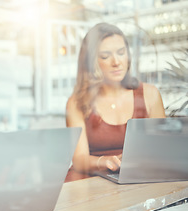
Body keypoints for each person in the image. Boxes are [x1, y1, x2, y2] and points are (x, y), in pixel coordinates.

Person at [65, 23, 165, 175]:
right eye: (105, 56)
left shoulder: (150, 94)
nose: (116, 62)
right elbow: (79, 159)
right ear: (91, 63)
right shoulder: (77, 102)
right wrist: (105, 161)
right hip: (94, 182)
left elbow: (163, 151)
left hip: (140, 178)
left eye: (121, 52)